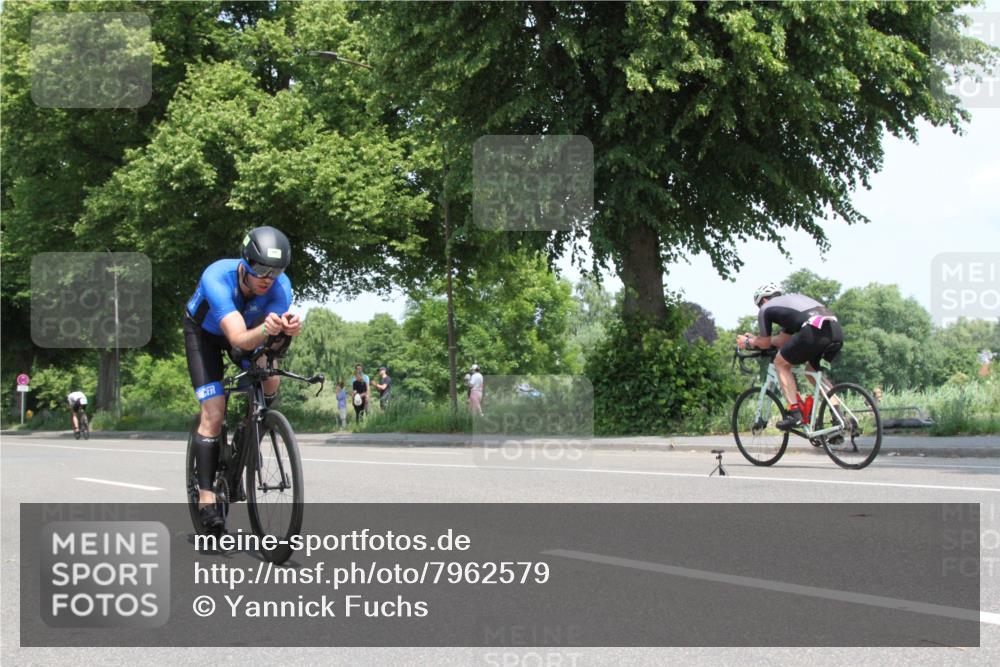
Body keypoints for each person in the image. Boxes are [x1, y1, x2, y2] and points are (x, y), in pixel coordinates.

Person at [183, 226, 301, 532]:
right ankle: (207, 496)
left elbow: (268, 347)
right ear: (245, 263)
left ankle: (252, 427)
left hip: (248, 332)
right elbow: (236, 338)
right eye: (260, 269)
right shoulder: (217, 277)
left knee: (270, 378)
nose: (267, 278)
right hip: (206, 335)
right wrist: (266, 330)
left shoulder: (280, 288)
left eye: (274, 272)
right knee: (213, 410)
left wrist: (283, 333)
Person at [738, 282, 844, 431]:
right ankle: (839, 418)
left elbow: (765, 342)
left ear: (763, 300)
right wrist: (757, 340)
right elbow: (781, 340)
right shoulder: (790, 304)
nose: (760, 308)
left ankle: (795, 414)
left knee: (780, 364)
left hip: (813, 329)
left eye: (759, 305)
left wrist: (748, 341)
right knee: (812, 372)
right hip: (834, 330)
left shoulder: (766, 308)